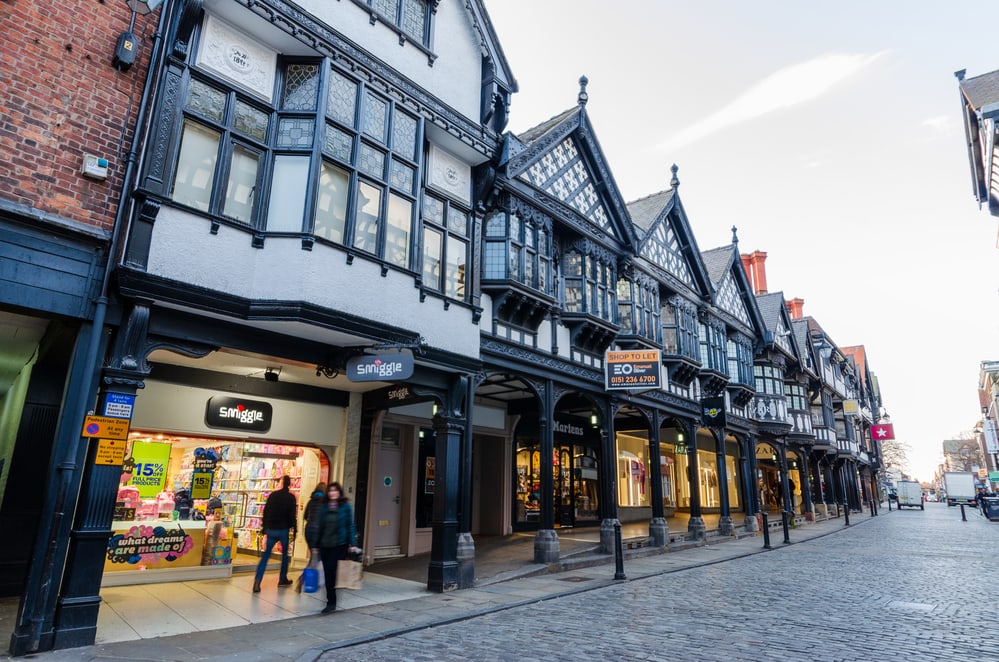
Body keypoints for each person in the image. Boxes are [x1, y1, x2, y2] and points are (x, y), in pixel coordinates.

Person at [309, 481, 358, 614]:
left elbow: (350, 525)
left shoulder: (345, 507)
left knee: (332, 570)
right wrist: (315, 544)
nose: (333, 493)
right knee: (328, 573)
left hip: (339, 544)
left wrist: (352, 543)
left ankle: (332, 600)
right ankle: (330, 601)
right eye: (330, 491)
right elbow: (320, 526)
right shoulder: (324, 506)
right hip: (325, 544)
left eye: (335, 490)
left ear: (339, 492)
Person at [253, 475, 298, 593]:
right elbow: (292, 516)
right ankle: (282, 578)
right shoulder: (291, 498)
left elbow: (266, 511)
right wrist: (295, 529)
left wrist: (264, 527)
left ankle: (257, 582)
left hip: (271, 529)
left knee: (265, 556)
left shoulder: (273, 495)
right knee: (284, 557)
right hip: (283, 529)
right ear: (290, 484)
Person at [295, 482, 326, 593]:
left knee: (316, 556)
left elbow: (305, 517)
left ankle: (313, 579)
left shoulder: (311, 501)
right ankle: (303, 579)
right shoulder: (325, 503)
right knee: (316, 557)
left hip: (309, 530)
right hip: (318, 532)